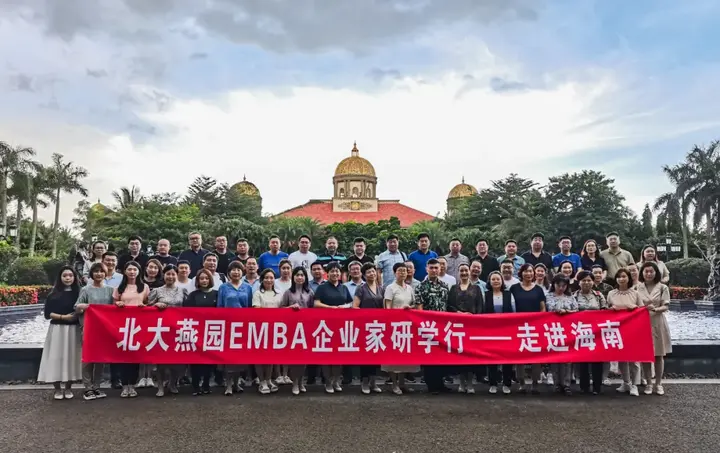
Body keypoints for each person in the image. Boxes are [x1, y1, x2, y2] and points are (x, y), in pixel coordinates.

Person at [38, 266, 83, 401]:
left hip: (74, 330)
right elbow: (47, 314)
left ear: (74, 277)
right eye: (65, 276)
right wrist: (64, 317)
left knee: (72, 358)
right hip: (57, 329)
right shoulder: (53, 294)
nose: (68, 278)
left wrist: (77, 314)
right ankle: (57, 389)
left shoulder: (79, 293)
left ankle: (68, 387)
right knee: (55, 358)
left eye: (70, 275)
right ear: (60, 278)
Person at [74, 262, 113, 400]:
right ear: (91, 273)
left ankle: (97, 386)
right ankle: (88, 387)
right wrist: (83, 306)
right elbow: (77, 307)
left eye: (101, 271)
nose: (99, 274)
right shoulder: (86, 290)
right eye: (96, 271)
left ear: (105, 273)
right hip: (89, 328)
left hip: (103, 329)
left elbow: (114, 310)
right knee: (88, 359)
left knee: (100, 359)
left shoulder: (110, 290)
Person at [313, 262, 353, 393]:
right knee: (326, 356)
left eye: (337, 271)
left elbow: (350, 303)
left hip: (341, 326)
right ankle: (328, 382)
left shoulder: (344, 288)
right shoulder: (322, 287)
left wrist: (344, 307)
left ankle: (336, 380)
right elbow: (316, 303)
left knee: (339, 356)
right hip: (325, 326)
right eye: (332, 271)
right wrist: (330, 308)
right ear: (327, 273)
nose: (335, 274)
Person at [148, 264, 187, 397]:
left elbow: (188, 309)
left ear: (177, 275)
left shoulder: (183, 291)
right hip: (161, 329)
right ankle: (160, 386)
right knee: (161, 361)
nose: (170, 277)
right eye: (168, 274)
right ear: (163, 275)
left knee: (176, 360)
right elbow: (146, 310)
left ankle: (173, 383)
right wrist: (155, 305)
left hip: (178, 329)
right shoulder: (157, 291)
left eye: (173, 274)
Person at [113, 261, 150, 398]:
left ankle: (132, 385)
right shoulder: (119, 288)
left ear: (139, 271)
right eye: (129, 269)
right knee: (123, 357)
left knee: (135, 357)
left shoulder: (144, 287)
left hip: (139, 326)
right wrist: (118, 303)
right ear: (125, 271)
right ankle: (124, 386)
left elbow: (148, 303)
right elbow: (112, 305)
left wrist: (144, 306)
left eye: (135, 269)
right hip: (123, 326)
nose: (132, 272)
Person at [382, 262, 419, 395]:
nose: (403, 273)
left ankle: (403, 383)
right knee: (393, 356)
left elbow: (414, 305)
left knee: (405, 356)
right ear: (394, 273)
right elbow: (387, 308)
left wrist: (410, 308)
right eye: (399, 271)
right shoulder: (390, 288)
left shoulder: (409, 288)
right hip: (393, 326)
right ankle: (394, 384)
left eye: (404, 270)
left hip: (407, 326)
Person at [217, 261, 253, 395]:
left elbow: (249, 307)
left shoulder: (247, 287)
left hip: (242, 326)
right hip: (227, 326)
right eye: (233, 270)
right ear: (229, 272)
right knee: (228, 356)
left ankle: (237, 383)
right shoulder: (223, 287)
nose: (236, 272)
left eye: (238, 269)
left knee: (239, 357)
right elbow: (220, 307)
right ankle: (228, 385)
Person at [447, 263, 484, 394]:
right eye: (461, 271)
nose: (463, 273)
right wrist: (458, 313)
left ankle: (470, 383)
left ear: (469, 272)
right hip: (457, 326)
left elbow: (480, 305)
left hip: (471, 326)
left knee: (470, 356)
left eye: (465, 270)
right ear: (458, 273)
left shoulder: (476, 288)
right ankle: (461, 383)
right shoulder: (453, 288)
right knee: (460, 356)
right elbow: (449, 305)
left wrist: (474, 317)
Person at [510, 263, 546, 393]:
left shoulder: (538, 289)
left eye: (531, 271)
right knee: (520, 355)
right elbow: (511, 306)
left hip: (535, 326)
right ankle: (522, 382)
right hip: (519, 326)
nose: (528, 274)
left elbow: (543, 307)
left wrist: (540, 321)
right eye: (525, 271)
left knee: (536, 357)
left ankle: (535, 383)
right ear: (521, 273)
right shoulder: (514, 288)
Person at [415, 258, 450, 395]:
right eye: (432, 268)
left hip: (442, 326)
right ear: (426, 269)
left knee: (441, 356)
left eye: (437, 268)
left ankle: (440, 384)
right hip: (428, 326)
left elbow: (447, 306)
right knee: (429, 356)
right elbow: (419, 308)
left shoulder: (445, 286)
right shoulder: (420, 286)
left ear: (440, 269)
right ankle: (432, 385)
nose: (434, 270)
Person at [637, 261, 672, 396]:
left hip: (658, 321)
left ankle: (658, 383)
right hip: (642, 323)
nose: (649, 274)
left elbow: (666, 306)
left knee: (659, 355)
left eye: (651, 271)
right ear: (642, 273)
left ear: (656, 273)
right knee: (646, 355)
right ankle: (648, 383)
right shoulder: (637, 288)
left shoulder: (663, 287)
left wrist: (655, 309)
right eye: (646, 271)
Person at [607, 268, 642, 396]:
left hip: (633, 329)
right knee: (622, 357)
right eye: (619, 276)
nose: (622, 279)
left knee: (634, 359)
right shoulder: (611, 294)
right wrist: (611, 309)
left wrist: (636, 308)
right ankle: (626, 382)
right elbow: (605, 312)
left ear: (629, 278)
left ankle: (635, 385)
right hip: (618, 330)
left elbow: (642, 311)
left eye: (624, 276)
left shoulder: (635, 294)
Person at [183, 269, 218, 395]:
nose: (204, 281)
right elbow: (186, 313)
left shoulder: (217, 294)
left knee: (209, 359)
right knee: (196, 359)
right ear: (197, 281)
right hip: (196, 331)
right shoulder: (193, 295)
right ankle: (195, 385)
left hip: (212, 332)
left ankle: (206, 384)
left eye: (206, 278)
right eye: (201, 278)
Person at [280, 267, 314, 395]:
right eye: (297, 275)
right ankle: (294, 382)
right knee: (294, 357)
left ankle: (301, 382)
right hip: (292, 328)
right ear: (293, 277)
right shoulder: (288, 292)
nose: (299, 277)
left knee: (304, 358)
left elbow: (313, 309)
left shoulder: (310, 292)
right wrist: (290, 308)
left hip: (306, 328)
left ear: (305, 277)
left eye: (302, 275)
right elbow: (281, 308)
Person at [573, 270, 607, 395]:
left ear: (593, 282)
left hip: (596, 333)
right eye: (583, 280)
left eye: (589, 280)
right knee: (583, 361)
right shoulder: (574, 296)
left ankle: (597, 386)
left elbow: (605, 312)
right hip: (580, 332)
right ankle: (584, 386)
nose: (586, 283)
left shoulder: (599, 295)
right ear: (579, 282)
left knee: (597, 360)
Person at [545, 274, 578, 395]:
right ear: (554, 285)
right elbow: (548, 309)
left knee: (567, 359)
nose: (561, 288)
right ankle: (557, 383)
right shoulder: (548, 296)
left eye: (564, 285)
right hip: (553, 330)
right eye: (559, 285)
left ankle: (567, 384)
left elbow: (576, 310)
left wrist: (567, 312)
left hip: (568, 330)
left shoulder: (570, 297)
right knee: (555, 358)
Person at [252, 268, 284, 394]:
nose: (269, 280)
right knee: (259, 357)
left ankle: (269, 379)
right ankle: (262, 381)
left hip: (275, 329)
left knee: (271, 356)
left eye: (271, 278)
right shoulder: (257, 293)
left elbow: (282, 309)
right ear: (262, 279)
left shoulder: (279, 293)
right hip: (260, 328)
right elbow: (256, 309)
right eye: (266, 277)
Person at [483, 271, 515, 394]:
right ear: (489, 282)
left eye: (498, 279)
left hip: (506, 330)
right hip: (490, 330)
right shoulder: (486, 295)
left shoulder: (508, 294)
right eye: (493, 279)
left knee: (507, 358)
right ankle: (493, 383)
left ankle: (506, 383)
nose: (496, 281)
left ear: (502, 281)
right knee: (492, 358)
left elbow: (514, 311)